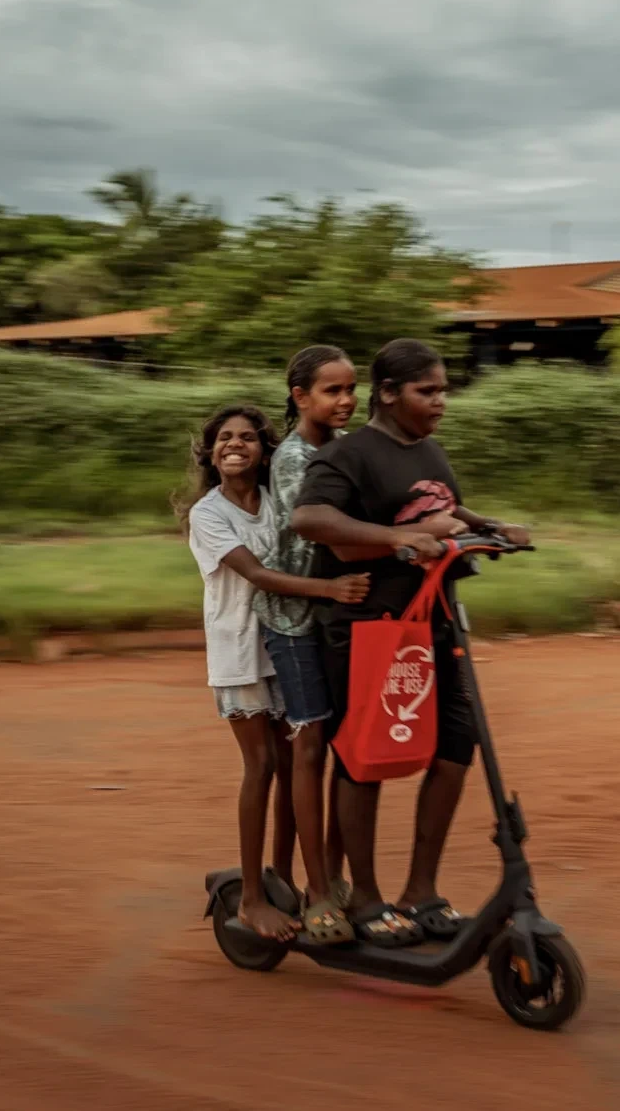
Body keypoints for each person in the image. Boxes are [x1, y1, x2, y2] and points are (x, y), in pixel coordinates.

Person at [290, 338, 530, 948]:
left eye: (443, 390)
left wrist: (487, 526)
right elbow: (314, 520)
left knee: (457, 742)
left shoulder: (427, 449)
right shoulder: (350, 455)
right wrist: (406, 539)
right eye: (428, 391)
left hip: (437, 622)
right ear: (389, 393)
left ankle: (420, 890)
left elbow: (439, 505)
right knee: (364, 754)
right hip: (372, 625)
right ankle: (366, 897)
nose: (441, 401)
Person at [177, 404, 369, 944]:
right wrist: (331, 590)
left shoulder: (274, 501)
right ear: (211, 452)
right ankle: (254, 901)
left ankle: (287, 879)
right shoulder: (208, 514)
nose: (234, 445)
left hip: (285, 641)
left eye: (247, 438)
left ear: (265, 451)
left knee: (295, 767)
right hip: (241, 648)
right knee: (260, 766)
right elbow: (258, 574)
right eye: (224, 438)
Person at [252, 346, 358, 946]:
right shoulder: (295, 458)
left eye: (351, 390)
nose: (345, 401)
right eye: (332, 391)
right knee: (310, 742)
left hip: (334, 614)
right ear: (300, 398)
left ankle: (338, 881)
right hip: (294, 616)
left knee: (348, 744)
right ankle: (318, 892)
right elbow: (319, 529)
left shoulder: (342, 448)